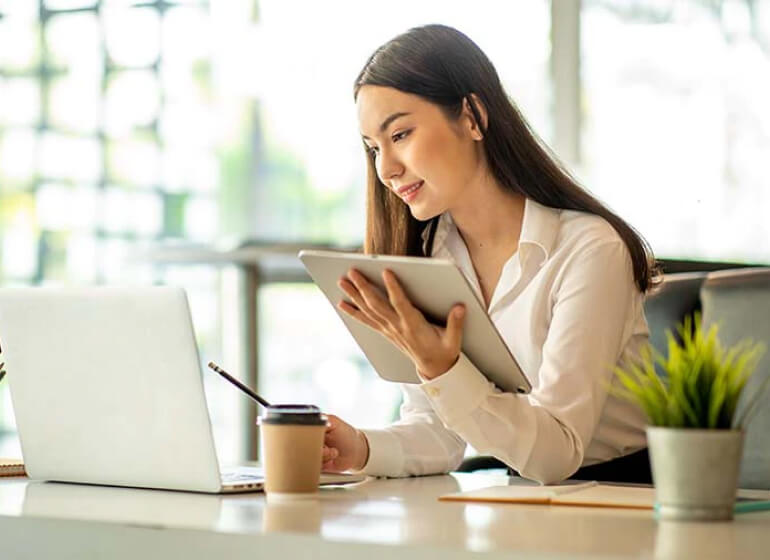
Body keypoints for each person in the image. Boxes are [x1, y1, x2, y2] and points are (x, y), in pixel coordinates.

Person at [320, 24, 659, 484]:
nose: (385, 169)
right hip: (520, 494)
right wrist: (358, 448)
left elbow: (558, 452)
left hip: (621, 498)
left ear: (472, 116)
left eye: (399, 135)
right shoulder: (429, 258)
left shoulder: (589, 250)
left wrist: (443, 367)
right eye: (373, 148)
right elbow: (438, 431)